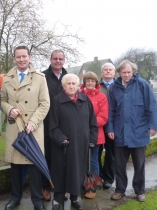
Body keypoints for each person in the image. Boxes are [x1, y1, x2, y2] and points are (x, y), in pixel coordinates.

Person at [0, 45, 50, 210]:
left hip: (33, 127)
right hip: (15, 126)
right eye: (18, 57)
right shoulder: (7, 78)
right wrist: (9, 109)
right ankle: (15, 198)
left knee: (34, 165)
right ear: (14, 58)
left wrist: (33, 122)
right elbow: (1, 100)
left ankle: (37, 201)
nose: (21, 59)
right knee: (15, 166)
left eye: (24, 56)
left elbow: (45, 103)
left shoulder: (40, 77)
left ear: (29, 57)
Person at [107, 60, 157, 202]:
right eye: (124, 72)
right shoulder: (113, 88)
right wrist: (110, 128)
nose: (126, 75)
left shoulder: (143, 85)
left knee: (139, 165)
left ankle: (139, 191)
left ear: (133, 72)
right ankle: (119, 189)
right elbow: (110, 110)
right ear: (119, 73)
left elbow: (152, 106)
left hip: (139, 132)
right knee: (119, 165)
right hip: (120, 132)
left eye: (129, 72)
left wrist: (154, 125)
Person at [49, 73, 98, 210]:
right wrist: (61, 139)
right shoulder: (57, 101)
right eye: (68, 84)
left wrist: (92, 139)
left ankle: (75, 197)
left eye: (73, 84)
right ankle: (57, 200)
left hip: (82, 145)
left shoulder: (85, 100)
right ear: (64, 86)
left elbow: (92, 122)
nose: (71, 86)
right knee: (60, 173)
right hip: (63, 146)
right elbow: (52, 126)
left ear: (78, 86)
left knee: (78, 172)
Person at [41, 49, 68, 201]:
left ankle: (61, 187)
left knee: (62, 157)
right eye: (55, 58)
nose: (58, 61)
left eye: (60, 59)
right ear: (50, 59)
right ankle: (46, 187)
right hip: (45, 123)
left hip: (63, 124)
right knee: (47, 156)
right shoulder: (42, 76)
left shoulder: (68, 77)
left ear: (64, 60)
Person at [80, 71, 109, 199]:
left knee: (93, 161)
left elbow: (103, 117)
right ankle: (81, 185)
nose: (90, 83)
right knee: (80, 161)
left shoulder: (101, 97)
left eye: (92, 81)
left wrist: (87, 123)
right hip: (79, 135)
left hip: (95, 135)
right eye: (88, 81)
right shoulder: (78, 95)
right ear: (84, 82)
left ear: (96, 83)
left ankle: (93, 187)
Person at [97, 62, 116, 189]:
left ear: (114, 73)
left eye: (110, 70)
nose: (108, 72)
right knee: (96, 153)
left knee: (111, 153)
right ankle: (97, 177)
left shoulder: (119, 86)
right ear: (102, 72)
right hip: (98, 125)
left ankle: (108, 178)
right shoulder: (96, 86)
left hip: (113, 125)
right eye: (105, 70)